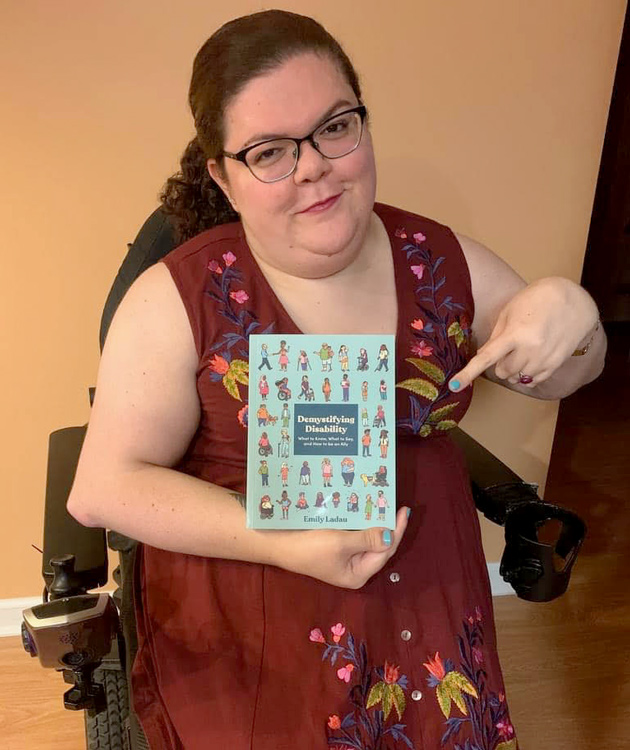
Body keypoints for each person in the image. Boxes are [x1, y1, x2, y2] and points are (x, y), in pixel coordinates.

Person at [67, 10, 605, 750]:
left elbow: (564, 373)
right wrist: (282, 542)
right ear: (222, 176)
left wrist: (575, 314)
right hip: (256, 634)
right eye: (269, 151)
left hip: (430, 617)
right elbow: (102, 487)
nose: (314, 164)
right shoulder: (179, 297)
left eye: (334, 127)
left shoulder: (437, 258)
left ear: (362, 125)